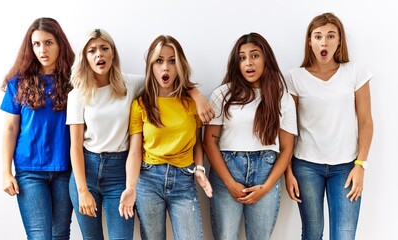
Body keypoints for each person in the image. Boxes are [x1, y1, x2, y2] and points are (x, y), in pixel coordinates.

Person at [67, 29, 214, 240]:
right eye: (92, 50)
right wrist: (82, 190)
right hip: (89, 169)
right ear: (85, 57)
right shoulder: (78, 95)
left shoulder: (129, 85)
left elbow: (167, 85)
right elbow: (75, 146)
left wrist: (196, 94)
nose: (99, 54)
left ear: (113, 53)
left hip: (123, 171)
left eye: (104, 48)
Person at [284, 12, 374, 240]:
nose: (324, 42)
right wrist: (288, 172)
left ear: (339, 41)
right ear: (310, 41)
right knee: (312, 234)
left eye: (330, 36)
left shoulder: (355, 72)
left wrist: (361, 165)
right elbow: (287, 129)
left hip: (346, 167)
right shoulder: (295, 78)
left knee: (344, 235)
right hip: (305, 167)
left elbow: (365, 121)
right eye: (318, 36)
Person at [203, 32, 297, 240]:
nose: (248, 63)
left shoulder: (282, 97)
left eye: (254, 56)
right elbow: (209, 141)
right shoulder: (223, 94)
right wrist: (229, 183)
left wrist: (266, 187)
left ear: (266, 58)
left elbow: (287, 148)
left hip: (266, 173)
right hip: (227, 169)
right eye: (242, 57)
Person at [118, 35, 213, 240]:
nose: (166, 68)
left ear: (180, 66)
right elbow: (135, 151)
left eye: (172, 61)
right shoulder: (141, 105)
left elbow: (198, 143)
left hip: (184, 180)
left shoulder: (191, 104)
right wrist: (131, 187)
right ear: (151, 65)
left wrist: (200, 169)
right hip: (148, 180)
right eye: (159, 61)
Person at [0, 17, 75, 240]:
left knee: (60, 235)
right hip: (30, 171)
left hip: (65, 170)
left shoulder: (76, 82)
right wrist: (5, 172)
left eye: (48, 42)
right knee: (40, 236)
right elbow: (10, 129)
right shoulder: (18, 83)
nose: (42, 50)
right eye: (36, 44)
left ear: (60, 44)